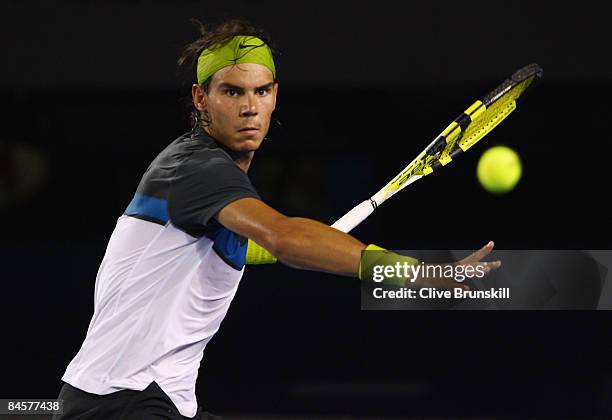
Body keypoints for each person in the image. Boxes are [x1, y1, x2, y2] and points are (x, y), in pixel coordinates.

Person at [53, 19, 500, 419]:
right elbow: (284, 238)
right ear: (200, 98)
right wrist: (415, 275)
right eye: (232, 91)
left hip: (155, 400)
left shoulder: (206, 182)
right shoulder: (197, 168)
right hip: (120, 402)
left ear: (274, 97)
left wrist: (284, 247)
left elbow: (252, 248)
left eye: (260, 91)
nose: (250, 107)